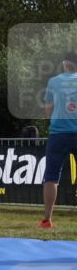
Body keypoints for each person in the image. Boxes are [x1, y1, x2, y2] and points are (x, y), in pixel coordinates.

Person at [40, 51, 77, 229]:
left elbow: (48, 109)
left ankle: (47, 220)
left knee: (51, 177)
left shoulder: (54, 81)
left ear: (65, 64)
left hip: (58, 134)